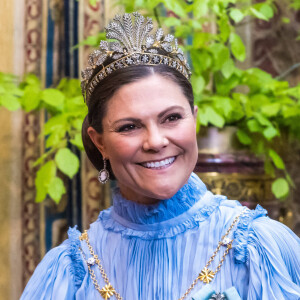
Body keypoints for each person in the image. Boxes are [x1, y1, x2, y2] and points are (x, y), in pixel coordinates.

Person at [21, 12, 300, 300]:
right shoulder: (69, 271)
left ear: (194, 120)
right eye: (129, 127)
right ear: (99, 142)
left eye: (171, 118)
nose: (155, 141)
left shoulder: (260, 249)